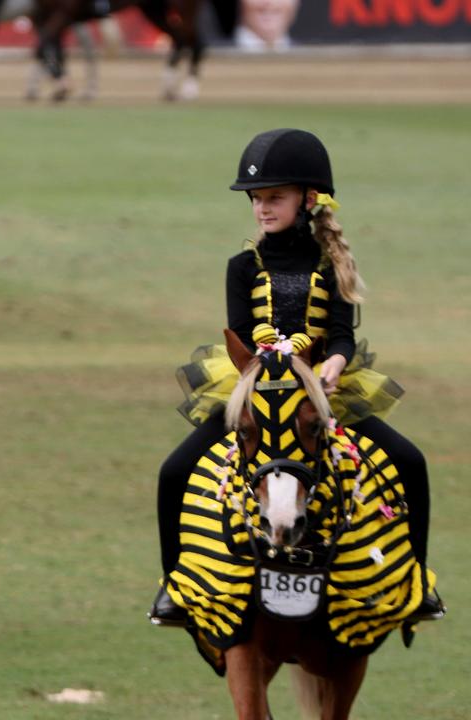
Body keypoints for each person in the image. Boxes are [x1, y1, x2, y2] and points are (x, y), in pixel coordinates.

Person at [150, 128, 438, 624]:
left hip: (323, 388)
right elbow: (239, 334)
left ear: (308, 199)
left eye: (274, 198)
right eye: (256, 199)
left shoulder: (332, 264)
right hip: (255, 386)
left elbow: (342, 334)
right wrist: (262, 366)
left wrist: (334, 363)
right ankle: (174, 589)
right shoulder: (241, 266)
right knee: (174, 472)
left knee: (410, 462)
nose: (262, 208)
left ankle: (416, 583)